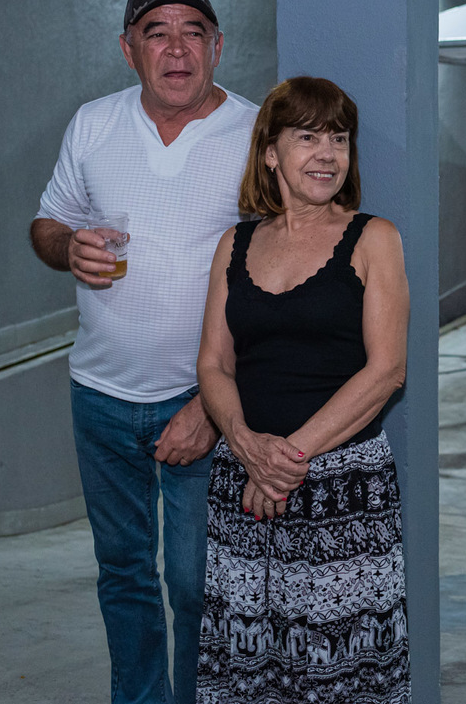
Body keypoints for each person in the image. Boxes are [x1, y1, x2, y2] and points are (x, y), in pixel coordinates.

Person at [30, 0, 257, 704]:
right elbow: (48, 221)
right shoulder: (93, 124)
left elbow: (280, 285)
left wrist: (214, 406)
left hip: (201, 400)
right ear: (128, 50)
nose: (176, 47)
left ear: (217, 47)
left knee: (194, 583)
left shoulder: (257, 135)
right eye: (157, 32)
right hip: (98, 397)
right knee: (124, 576)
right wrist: (66, 247)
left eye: (193, 31)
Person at [195, 76, 411, 703]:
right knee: (247, 668)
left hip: (342, 494)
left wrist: (284, 462)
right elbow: (213, 364)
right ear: (270, 152)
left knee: (338, 674)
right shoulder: (234, 244)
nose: (327, 154)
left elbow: (387, 372)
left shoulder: (375, 238)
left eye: (339, 139)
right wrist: (247, 447)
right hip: (243, 486)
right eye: (308, 137)